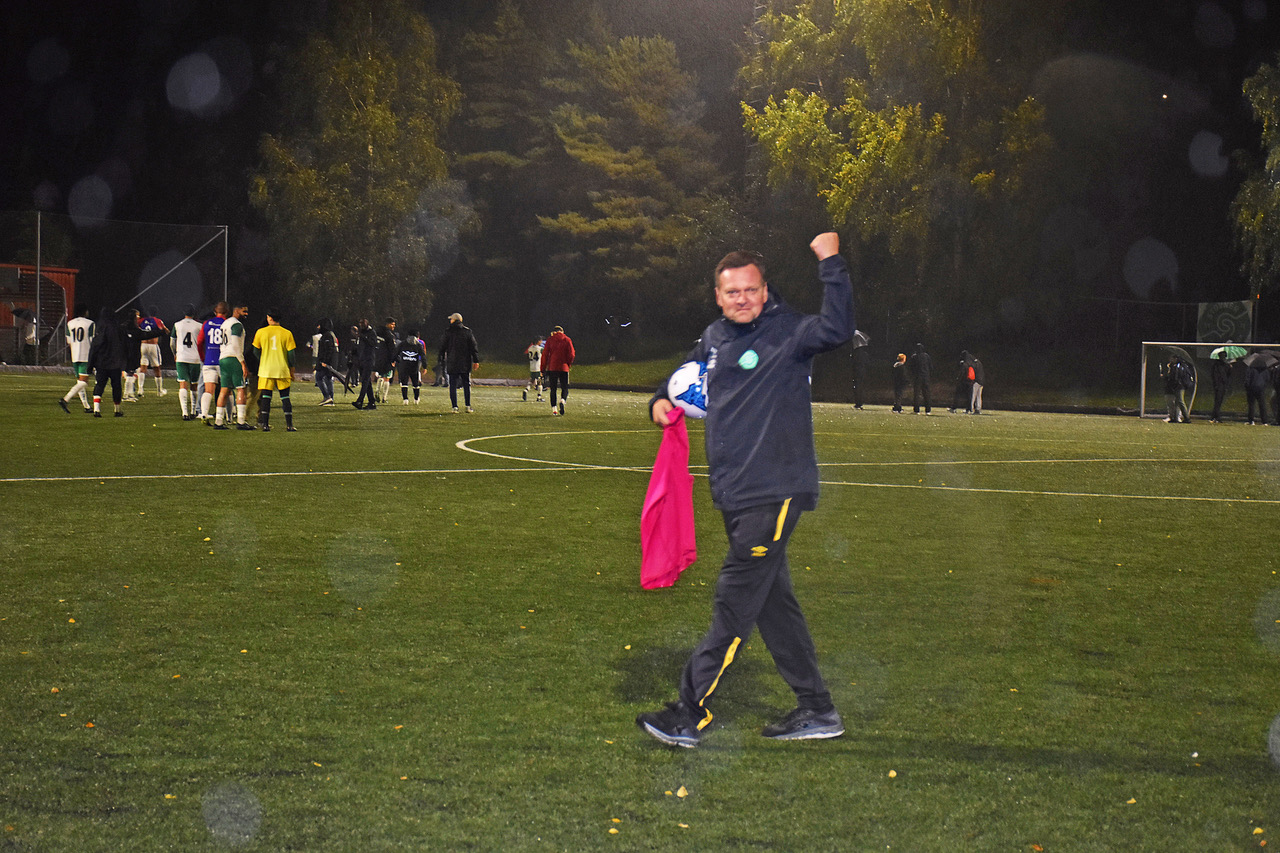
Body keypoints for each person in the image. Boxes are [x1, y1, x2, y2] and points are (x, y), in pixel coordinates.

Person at [636, 232, 852, 748]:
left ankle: (689, 712)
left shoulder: (791, 332)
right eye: (732, 292)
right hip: (735, 492)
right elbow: (684, 379)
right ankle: (818, 709)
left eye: (750, 290)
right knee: (774, 607)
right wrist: (656, 403)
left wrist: (831, 262)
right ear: (718, 295)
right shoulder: (714, 336)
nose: (742, 300)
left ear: (764, 289)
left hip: (775, 490)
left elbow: (838, 327)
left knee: (733, 603)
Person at [252, 309, 298, 432]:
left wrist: (263, 358)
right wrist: (292, 369)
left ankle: (265, 425)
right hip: (282, 369)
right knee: (285, 397)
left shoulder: (261, 332)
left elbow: (255, 350)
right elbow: (291, 354)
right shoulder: (287, 333)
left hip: (266, 370)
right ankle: (289, 425)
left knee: (266, 397)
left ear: (269, 318)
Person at [214, 302, 252, 430]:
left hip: (223, 357)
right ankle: (241, 421)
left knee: (224, 389)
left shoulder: (225, 324)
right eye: (244, 311)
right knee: (241, 388)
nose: (246, 314)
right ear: (236, 310)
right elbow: (235, 345)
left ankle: (218, 421)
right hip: (233, 358)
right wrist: (242, 362)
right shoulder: (236, 324)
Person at [86, 308, 127, 417]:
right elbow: (123, 346)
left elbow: (95, 347)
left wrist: (90, 365)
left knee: (99, 385)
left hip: (101, 363)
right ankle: (117, 410)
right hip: (115, 363)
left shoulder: (100, 327)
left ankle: (96, 410)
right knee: (116, 386)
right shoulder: (119, 328)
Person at [438, 312, 480, 413]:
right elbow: (473, 347)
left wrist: (441, 358)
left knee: (452, 385)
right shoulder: (467, 332)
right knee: (466, 384)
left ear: (455, 320)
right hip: (465, 362)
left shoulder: (448, 332)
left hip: (452, 362)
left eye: (451, 319)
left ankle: (454, 407)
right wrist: (476, 360)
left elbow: (442, 347)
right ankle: (468, 406)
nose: (450, 321)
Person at [170, 305, 204, 420]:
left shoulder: (177, 325)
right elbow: (201, 342)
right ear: (194, 314)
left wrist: (175, 354)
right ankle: (193, 411)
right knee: (194, 385)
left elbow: (172, 342)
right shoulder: (199, 326)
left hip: (182, 357)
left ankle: (184, 413)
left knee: (183, 384)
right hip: (195, 358)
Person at [197, 302, 229, 422]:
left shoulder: (206, 323)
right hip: (224, 360)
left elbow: (199, 342)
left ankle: (204, 414)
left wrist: (203, 357)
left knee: (208, 389)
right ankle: (228, 415)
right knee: (226, 389)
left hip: (209, 360)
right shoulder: (228, 324)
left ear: (215, 311)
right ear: (227, 312)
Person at [59, 304, 94, 414]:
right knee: (84, 382)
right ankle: (65, 399)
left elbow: (68, 341)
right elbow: (92, 340)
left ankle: (86, 406)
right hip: (85, 354)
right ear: (85, 312)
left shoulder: (70, 323)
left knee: (80, 382)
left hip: (74, 354)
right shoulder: (90, 323)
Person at [541, 325, 575, 416]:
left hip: (553, 367)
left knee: (553, 389)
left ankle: (554, 409)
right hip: (564, 367)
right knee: (565, 387)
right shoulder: (567, 339)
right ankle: (563, 401)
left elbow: (545, 355)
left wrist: (543, 368)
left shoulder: (550, 340)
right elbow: (572, 354)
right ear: (562, 331)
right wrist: (568, 363)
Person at [135, 307, 168, 397]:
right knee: (156, 368)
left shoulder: (141, 321)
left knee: (143, 366)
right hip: (153, 345)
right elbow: (165, 330)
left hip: (143, 345)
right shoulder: (157, 321)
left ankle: (140, 389)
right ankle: (159, 390)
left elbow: (135, 329)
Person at [352, 319, 380, 409]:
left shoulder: (372, 333)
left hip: (369, 359)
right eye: (360, 324)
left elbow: (373, 343)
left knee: (365, 381)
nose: (361, 325)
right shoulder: (361, 333)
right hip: (362, 360)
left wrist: (363, 337)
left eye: (362, 324)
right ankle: (372, 402)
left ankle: (360, 401)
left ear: (367, 324)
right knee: (367, 382)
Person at [313, 318, 341, 406]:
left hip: (325, 362)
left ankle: (327, 397)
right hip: (329, 362)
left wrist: (324, 362)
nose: (318, 327)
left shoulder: (327, 336)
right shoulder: (330, 335)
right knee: (328, 379)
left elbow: (329, 350)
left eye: (319, 325)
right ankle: (330, 399)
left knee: (318, 377)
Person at [397, 328, 428, 404]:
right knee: (415, 383)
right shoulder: (418, 345)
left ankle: (405, 399)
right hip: (414, 366)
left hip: (404, 366)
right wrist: (425, 366)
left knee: (404, 383)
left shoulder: (403, 343)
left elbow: (396, 352)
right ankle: (416, 399)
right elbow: (423, 356)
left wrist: (393, 360)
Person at [1161, 357, 1190, 423]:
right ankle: (1175, 417)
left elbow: (1177, 376)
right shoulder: (1172, 366)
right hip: (1176, 385)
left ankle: (1186, 417)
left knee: (1180, 401)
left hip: (1179, 386)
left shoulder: (1180, 366)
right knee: (1177, 401)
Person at [376, 317, 398, 404]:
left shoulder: (377, 332)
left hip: (379, 358)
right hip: (387, 358)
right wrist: (393, 359)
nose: (393, 326)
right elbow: (392, 348)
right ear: (388, 324)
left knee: (381, 375)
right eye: (392, 324)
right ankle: (384, 398)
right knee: (387, 378)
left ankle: (377, 391)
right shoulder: (389, 335)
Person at [908, 343, 932, 414]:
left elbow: (911, 368)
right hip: (926, 377)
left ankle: (916, 410)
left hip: (917, 377)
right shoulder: (927, 356)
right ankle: (928, 410)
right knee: (926, 394)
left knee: (916, 394)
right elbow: (931, 367)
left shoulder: (914, 357)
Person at [1245, 358, 1269, 426]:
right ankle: (1265, 421)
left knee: (1251, 405)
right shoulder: (1265, 370)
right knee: (1262, 405)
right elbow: (1267, 378)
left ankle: (1251, 420)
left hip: (1252, 388)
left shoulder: (1251, 369)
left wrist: (1247, 387)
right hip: (1261, 388)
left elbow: (1248, 379)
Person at [1209, 350, 1231, 423]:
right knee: (1217, 401)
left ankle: (1214, 416)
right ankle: (1216, 417)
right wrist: (1216, 384)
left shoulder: (1226, 365)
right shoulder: (1217, 365)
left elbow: (1228, 375)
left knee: (1219, 401)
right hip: (1219, 385)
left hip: (1222, 385)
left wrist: (1230, 368)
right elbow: (1214, 375)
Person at [523, 337, 545, 402]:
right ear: (538, 341)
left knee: (532, 380)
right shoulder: (540, 348)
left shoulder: (530, 348)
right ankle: (539, 397)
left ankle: (526, 390)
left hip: (532, 367)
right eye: (540, 341)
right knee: (539, 382)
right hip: (538, 367)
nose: (541, 342)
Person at [968, 351, 985, 415]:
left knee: (973, 396)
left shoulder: (973, 364)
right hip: (981, 381)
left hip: (976, 381)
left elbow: (972, 374)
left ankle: (971, 408)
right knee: (979, 396)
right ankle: (978, 408)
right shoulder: (980, 363)